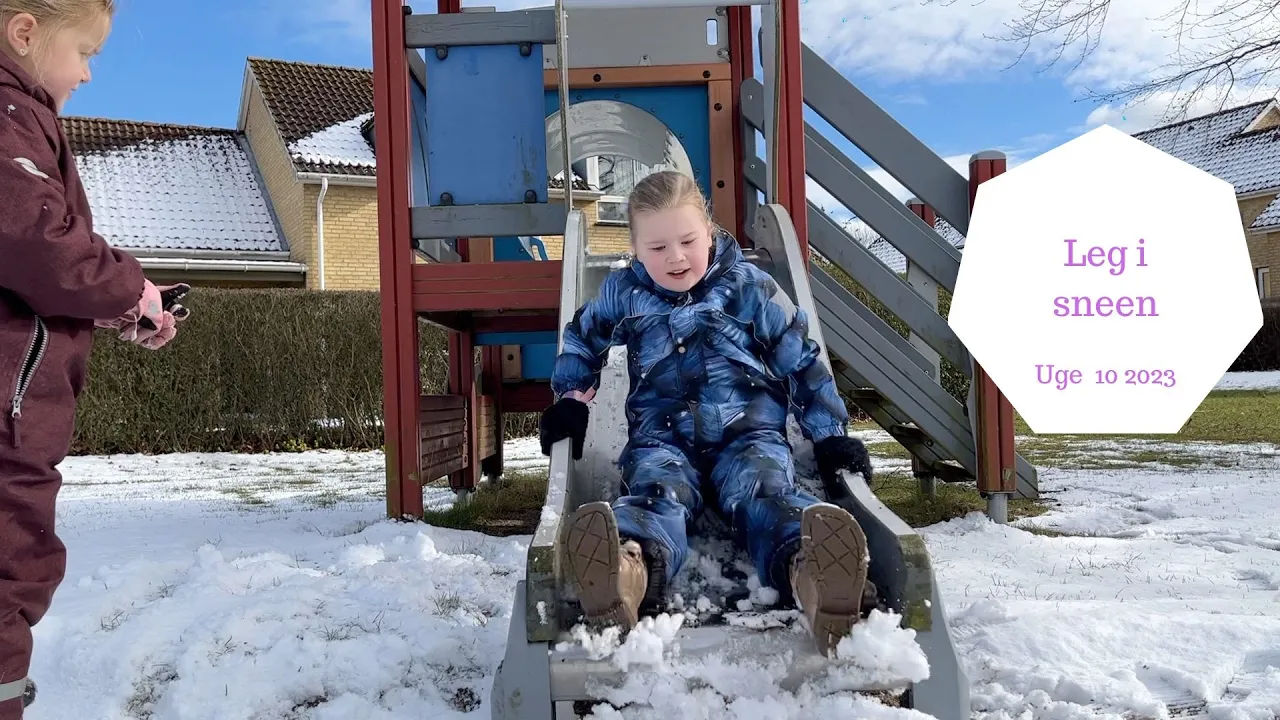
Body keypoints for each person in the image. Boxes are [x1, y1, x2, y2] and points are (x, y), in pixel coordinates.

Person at [539, 170, 877, 657]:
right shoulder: (625, 294)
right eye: (657, 248)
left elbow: (802, 361)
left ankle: (817, 575)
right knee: (657, 494)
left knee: (766, 493)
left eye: (687, 241)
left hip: (748, 435)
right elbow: (582, 340)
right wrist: (571, 400)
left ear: (710, 231)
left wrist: (828, 435)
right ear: (635, 248)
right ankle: (622, 572)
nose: (675, 257)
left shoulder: (748, 287)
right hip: (664, 440)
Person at [0, 2, 188, 716]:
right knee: (9, 571)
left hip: (15, 408)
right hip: (8, 417)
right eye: (85, 53)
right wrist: (125, 287)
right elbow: (42, 243)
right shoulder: (6, 115)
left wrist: (124, 302)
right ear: (24, 33)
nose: (85, 74)